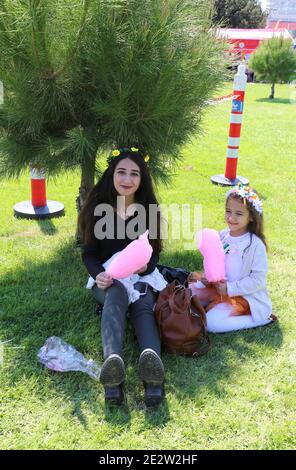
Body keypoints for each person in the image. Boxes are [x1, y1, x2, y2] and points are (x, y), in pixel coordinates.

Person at [78, 147, 166, 407]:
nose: (127, 179)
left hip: (139, 275)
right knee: (116, 293)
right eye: (121, 172)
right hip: (108, 276)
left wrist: (145, 267)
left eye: (134, 174)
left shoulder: (148, 210)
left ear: (142, 179)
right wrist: (99, 275)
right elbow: (89, 254)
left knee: (142, 302)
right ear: (111, 174)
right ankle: (112, 367)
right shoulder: (97, 208)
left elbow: (155, 253)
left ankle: (153, 371)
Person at [189, 184, 276, 333]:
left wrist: (230, 288)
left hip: (243, 296)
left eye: (239, 214)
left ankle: (260, 319)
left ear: (251, 217)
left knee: (211, 324)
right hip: (218, 290)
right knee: (189, 295)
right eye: (228, 211)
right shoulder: (223, 236)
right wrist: (206, 278)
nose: (231, 217)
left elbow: (258, 280)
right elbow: (214, 262)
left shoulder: (254, 245)